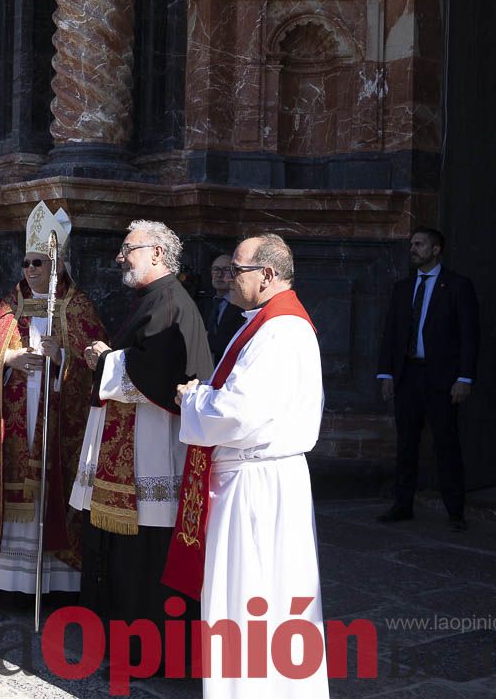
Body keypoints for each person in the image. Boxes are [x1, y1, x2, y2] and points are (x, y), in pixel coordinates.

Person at [167, 234, 328, 698]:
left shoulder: (280, 330)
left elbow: (238, 412)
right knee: (267, 593)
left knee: (248, 593)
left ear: (268, 275)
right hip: (261, 475)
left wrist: (192, 397)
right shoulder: (265, 321)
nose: (229, 279)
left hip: (255, 483)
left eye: (238, 270)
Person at [69, 219, 215, 670]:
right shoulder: (153, 298)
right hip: (132, 443)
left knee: (146, 551)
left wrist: (105, 360)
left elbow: (162, 371)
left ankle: (146, 648)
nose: (119, 256)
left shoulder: (171, 301)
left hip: (152, 450)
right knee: (122, 549)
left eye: (127, 248)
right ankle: (121, 637)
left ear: (156, 253)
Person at [0, 202, 101, 595]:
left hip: (57, 414)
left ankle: (53, 579)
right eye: (25, 263)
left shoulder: (76, 306)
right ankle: (4, 579)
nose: (29, 270)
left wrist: (64, 358)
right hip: (14, 415)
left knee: (51, 484)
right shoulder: (12, 303)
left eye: (38, 263)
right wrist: (12, 358)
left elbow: (95, 358)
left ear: (54, 264)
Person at [376, 226, 479, 531]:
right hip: (407, 375)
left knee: (446, 443)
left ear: (436, 250)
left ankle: (455, 510)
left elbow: (469, 336)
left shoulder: (458, 286)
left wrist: (465, 378)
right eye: (412, 244)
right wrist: (386, 374)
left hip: (443, 379)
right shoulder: (403, 288)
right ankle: (403, 504)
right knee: (406, 443)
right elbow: (391, 334)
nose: (413, 249)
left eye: (419, 245)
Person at [201, 253, 245, 362]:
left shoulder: (242, 306)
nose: (219, 275)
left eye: (225, 270)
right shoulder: (203, 303)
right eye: (216, 269)